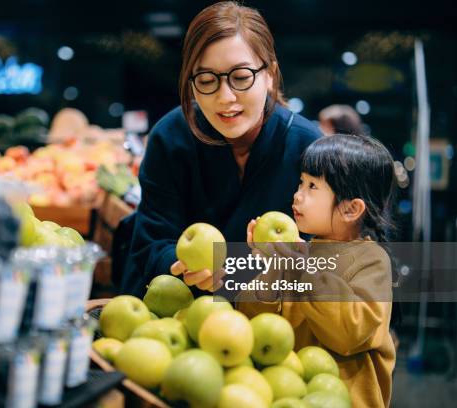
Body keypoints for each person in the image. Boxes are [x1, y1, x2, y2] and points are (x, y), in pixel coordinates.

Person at [121, 1, 322, 296]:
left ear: (270, 75)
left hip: (274, 318)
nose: (225, 97)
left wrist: (304, 264)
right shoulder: (170, 137)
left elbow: (334, 252)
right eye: (206, 80)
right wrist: (179, 265)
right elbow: (150, 242)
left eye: (241, 77)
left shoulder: (308, 146)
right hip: (177, 314)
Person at [240, 134, 396, 407]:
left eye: (312, 186)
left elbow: (350, 332)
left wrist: (301, 267)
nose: (297, 195)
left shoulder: (371, 260)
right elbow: (255, 323)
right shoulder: (300, 254)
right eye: (300, 182)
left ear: (351, 209)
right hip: (291, 395)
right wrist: (272, 265)